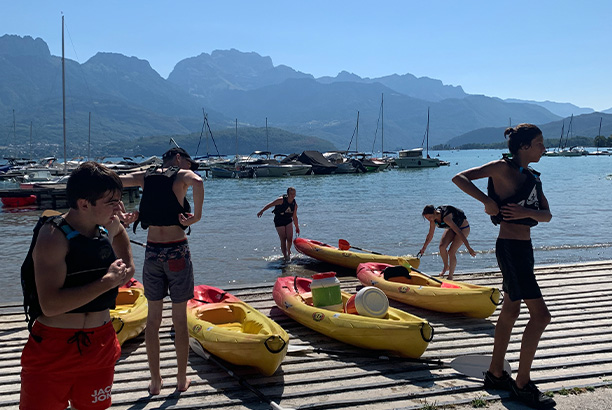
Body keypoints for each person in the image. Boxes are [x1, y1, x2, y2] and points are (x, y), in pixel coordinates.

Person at [452, 123, 555, 409]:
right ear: (523, 147)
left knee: (511, 309)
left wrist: (525, 211)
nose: (543, 148)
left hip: (524, 248)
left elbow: (546, 215)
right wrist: (486, 202)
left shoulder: (532, 176)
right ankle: (522, 383)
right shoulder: (500, 167)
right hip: (510, 249)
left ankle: (496, 374)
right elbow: (460, 178)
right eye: (539, 143)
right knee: (541, 317)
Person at [20, 162, 135, 410]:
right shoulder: (53, 236)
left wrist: (117, 233)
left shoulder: (108, 227)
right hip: (54, 346)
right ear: (84, 204)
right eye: (111, 201)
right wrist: (106, 282)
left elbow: (128, 270)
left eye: (119, 200)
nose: (119, 207)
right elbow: (50, 305)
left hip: (100, 343)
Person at [120, 147, 204, 395]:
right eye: (189, 163)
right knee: (179, 321)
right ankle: (180, 380)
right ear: (178, 158)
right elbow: (198, 182)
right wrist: (196, 217)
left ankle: (155, 382)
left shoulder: (145, 176)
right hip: (177, 251)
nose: (191, 168)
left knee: (153, 321)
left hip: (153, 252)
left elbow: (114, 180)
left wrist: (121, 210)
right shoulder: (181, 176)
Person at [419, 204, 476, 280]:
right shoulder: (433, 220)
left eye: (429, 217)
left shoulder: (446, 218)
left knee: (451, 251)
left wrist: (469, 248)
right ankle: (446, 266)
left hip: (463, 229)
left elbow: (459, 232)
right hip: (451, 228)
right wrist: (423, 249)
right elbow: (430, 235)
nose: (429, 220)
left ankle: (450, 276)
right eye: (427, 218)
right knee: (442, 247)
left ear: (434, 212)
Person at [257, 187, 300, 262]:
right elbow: (270, 205)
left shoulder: (294, 204)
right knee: (283, 239)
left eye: (294, 194)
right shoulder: (281, 200)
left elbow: (295, 217)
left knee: (289, 239)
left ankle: (288, 252)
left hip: (288, 220)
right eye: (291, 194)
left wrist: (297, 227)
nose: (293, 196)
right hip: (279, 220)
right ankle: (285, 256)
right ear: (288, 194)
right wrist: (262, 211)